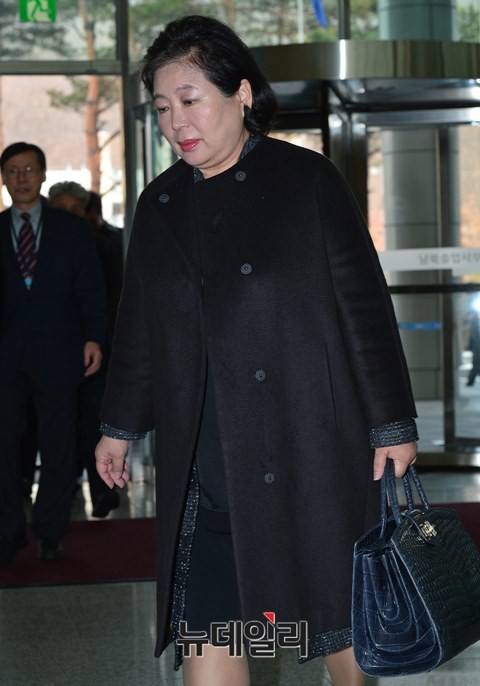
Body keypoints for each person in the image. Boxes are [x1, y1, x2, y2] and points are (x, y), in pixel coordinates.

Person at [95, 16, 418, 686]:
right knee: (212, 633)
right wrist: (118, 427)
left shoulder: (306, 181)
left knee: (340, 634)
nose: (177, 122)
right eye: (163, 107)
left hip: (307, 447)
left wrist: (392, 425)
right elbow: (139, 330)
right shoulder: (159, 205)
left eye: (191, 100)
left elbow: (364, 309)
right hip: (206, 464)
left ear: (241, 93)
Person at [0, 142, 106, 564]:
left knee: (59, 443)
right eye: (13, 170)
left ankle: (50, 530)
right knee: (5, 446)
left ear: (43, 175)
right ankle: (8, 530)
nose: (22, 178)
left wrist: (94, 337)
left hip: (60, 351)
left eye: (29, 169)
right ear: (4, 179)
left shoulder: (71, 229)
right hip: (5, 357)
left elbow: (91, 288)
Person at [48, 180, 122, 518]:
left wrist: (103, 343)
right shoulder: (38, 250)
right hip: (52, 354)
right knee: (61, 426)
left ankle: (102, 491)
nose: (67, 216)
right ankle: (64, 491)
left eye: (74, 209)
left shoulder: (105, 247)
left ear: (86, 212)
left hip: (99, 352)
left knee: (95, 419)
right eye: (60, 209)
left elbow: (115, 300)